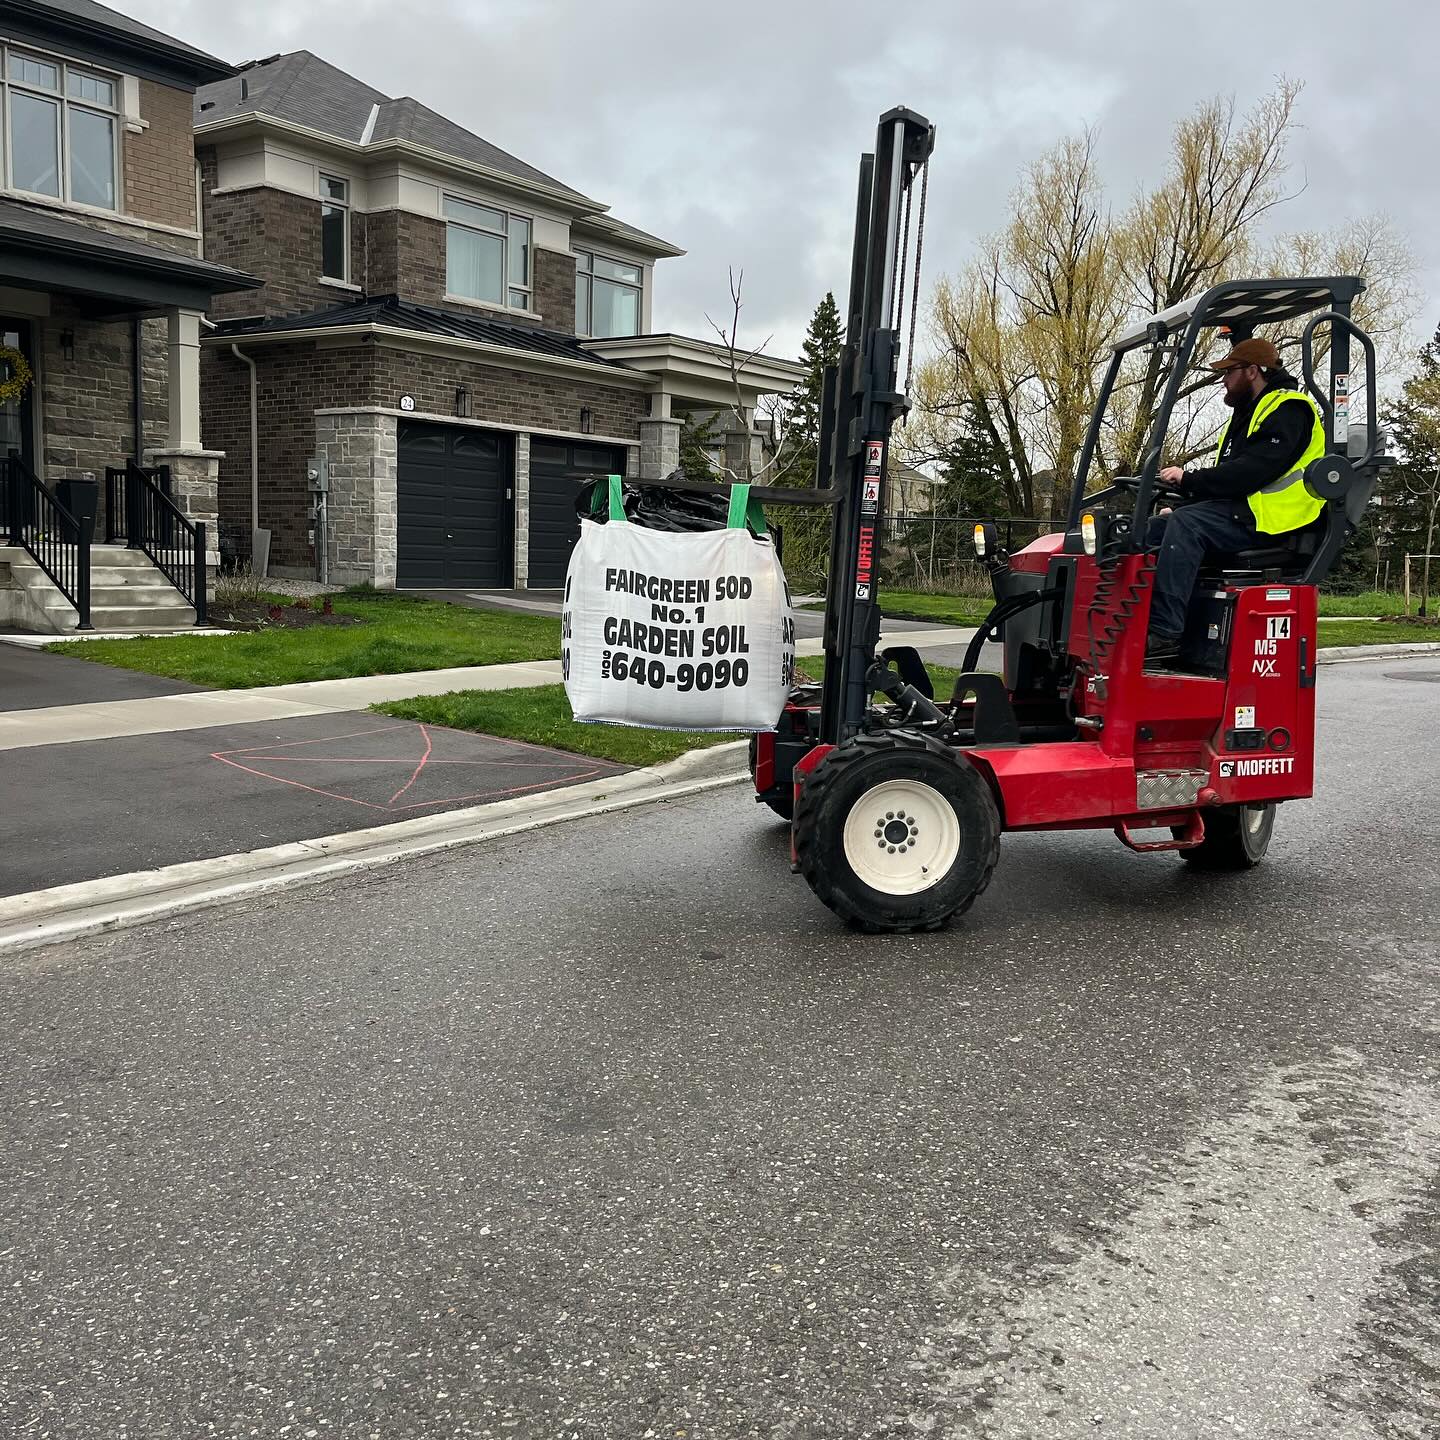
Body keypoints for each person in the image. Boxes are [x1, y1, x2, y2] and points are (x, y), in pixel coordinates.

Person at [1144, 336, 1327, 661]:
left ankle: (1164, 632)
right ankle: (1128, 621)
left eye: (1230, 373)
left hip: (1276, 520)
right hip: (1246, 513)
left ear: (1252, 371)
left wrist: (1189, 480)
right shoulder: (1248, 415)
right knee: (1155, 528)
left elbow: (1251, 472)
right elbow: (1229, 482)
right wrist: (1183, 504)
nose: (1223, 381)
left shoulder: (1290, 410)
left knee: (1187, 525)